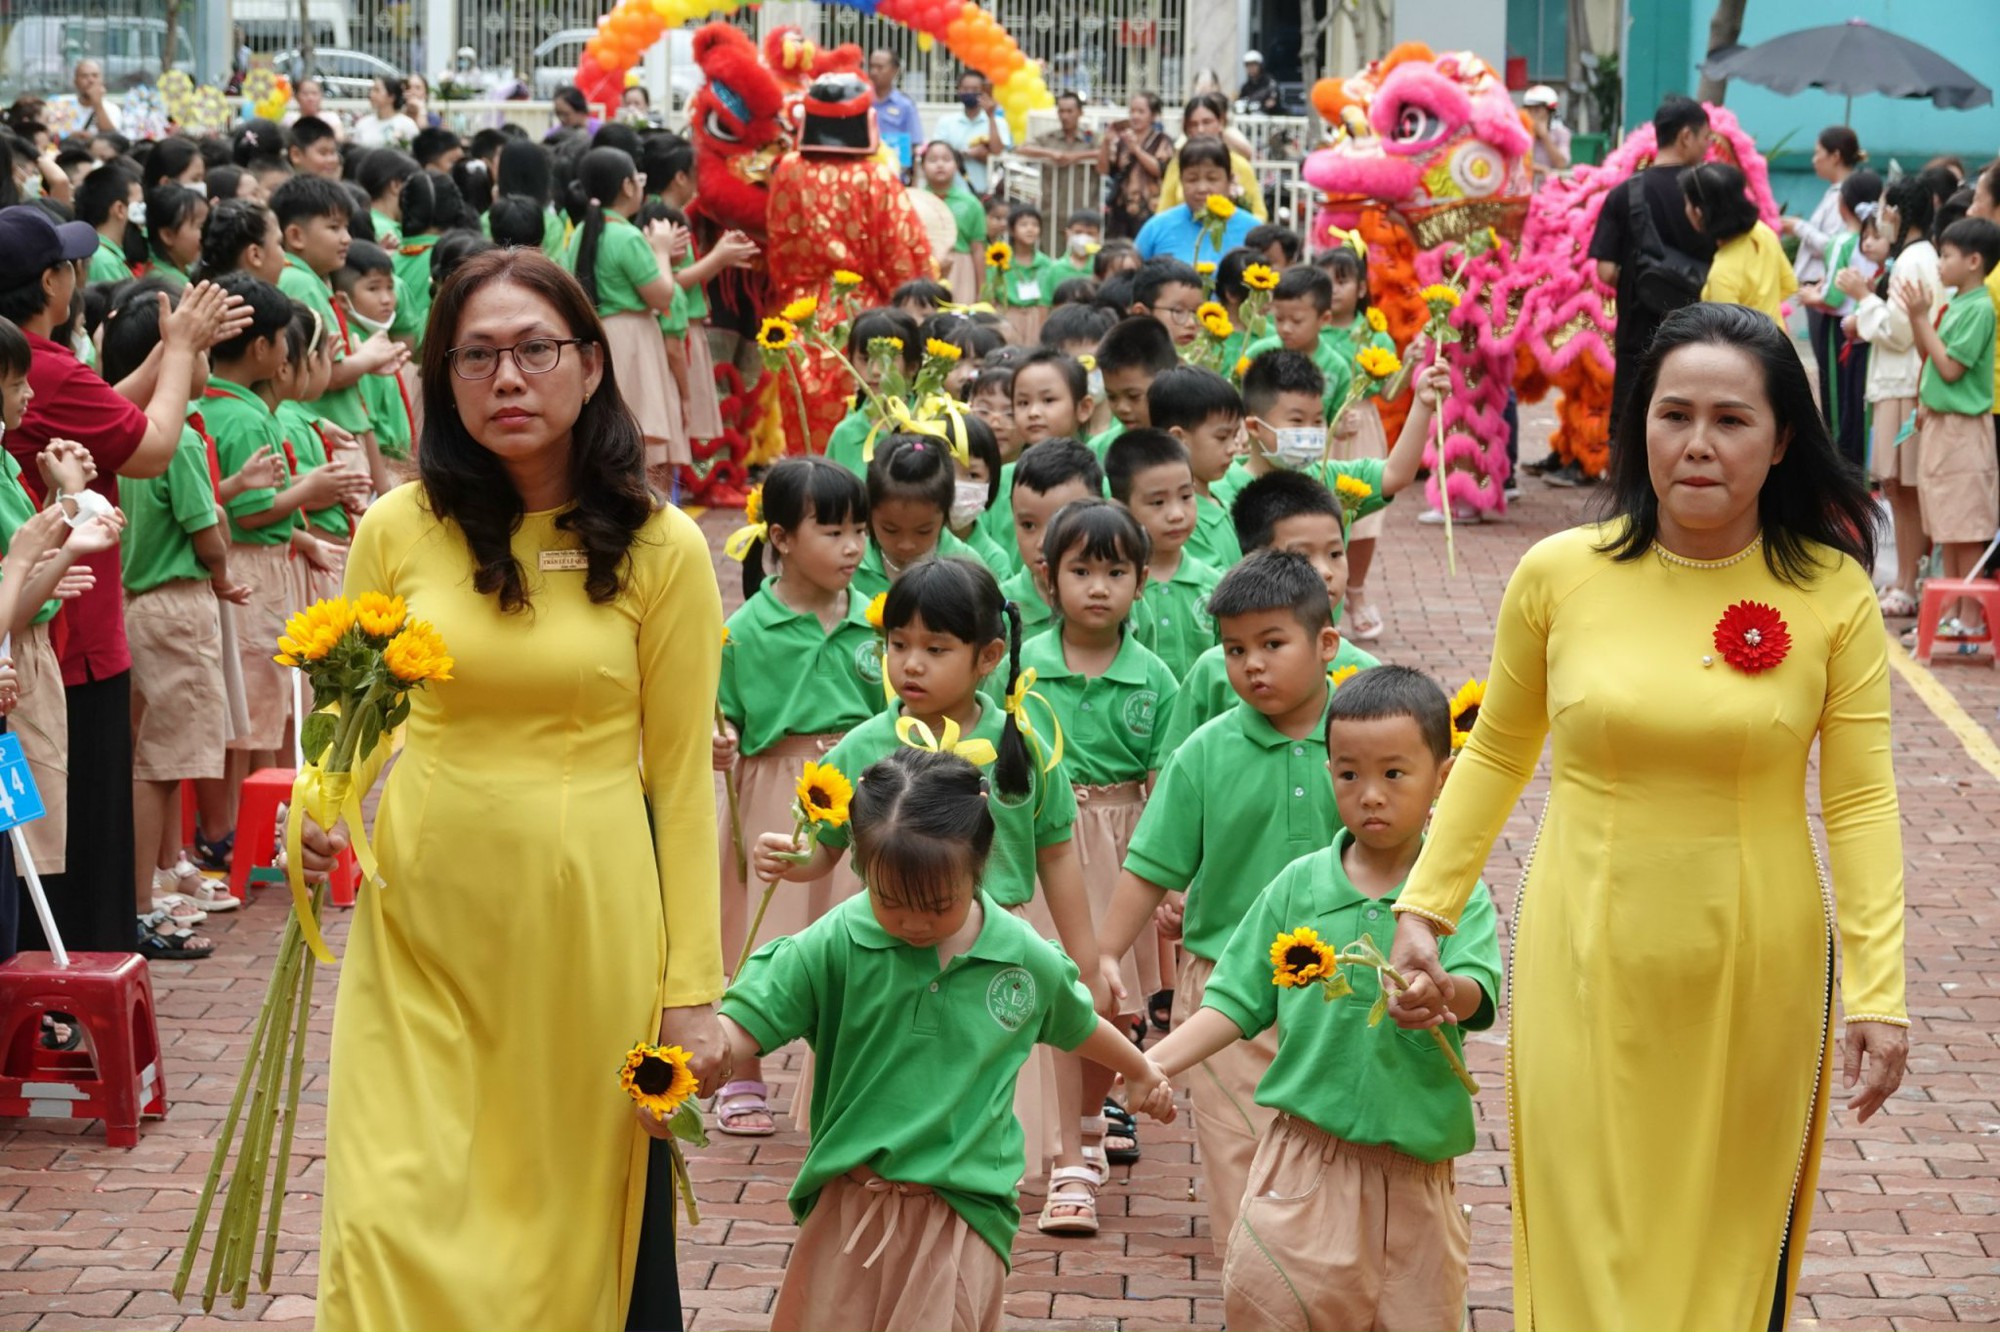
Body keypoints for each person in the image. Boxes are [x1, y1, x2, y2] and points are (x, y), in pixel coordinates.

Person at [1389, 302, 1907, 1330]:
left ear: (1781, 439)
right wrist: (1426, 903)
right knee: (1584, 1222)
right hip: (1583, 944)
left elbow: (1856, 799)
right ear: (1636, 428)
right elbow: (1495, 746)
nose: (1697, 445)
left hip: (1754, 956)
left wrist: (1879, 990)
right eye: (1672, 415)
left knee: (1723, 1234)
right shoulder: (1557, 576)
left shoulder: (1830, 594)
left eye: (1730, 419)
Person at [297, 247, 726, 1328]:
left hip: (584, 935)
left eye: (535, 351)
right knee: (390, 1208)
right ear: (442, 382)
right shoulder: (396, 529)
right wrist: (318, 807)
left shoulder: (663, 548)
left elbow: (679, 783)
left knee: (557, 1230)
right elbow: (356, 709)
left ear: (589, 365)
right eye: (475, 357)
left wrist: (691, 985)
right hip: (422, 922)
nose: (507, 380)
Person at [728, 747, 1173, 1331]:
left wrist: (1139, 1070)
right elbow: (750, 1018)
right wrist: (695, 1059)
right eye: (890, 901)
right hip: (850, 1203)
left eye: (938, 905)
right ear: (861, 867)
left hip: (963, 1214)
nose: (913, 922)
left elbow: (1077, 1021)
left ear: (978, 866)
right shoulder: (835, 941)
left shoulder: (1020, 954)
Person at [750, 557, 1112, 1233]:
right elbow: (825, 847)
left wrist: (1086, 956)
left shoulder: (1018, 746)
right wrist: (790, 859)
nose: (910, 665)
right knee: (891, 1079)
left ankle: (1040, 1177)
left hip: (991, 945)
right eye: (897, 645)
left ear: (989, 657)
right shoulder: (865, 744)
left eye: (935, 649)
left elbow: (1056, 851)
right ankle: (884, 1193)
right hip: (884, 949)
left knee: (1006, 1070)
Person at [1151, 664, 1501, 1330]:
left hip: (1418, 1176)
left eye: (1394, 774)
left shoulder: (1455, 892)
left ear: (1442, 776)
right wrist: (1156, 1063)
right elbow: (1231, 1000)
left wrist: (1440, 991)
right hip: (1304, 1157)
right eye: (1348, 774)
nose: (1370, 795)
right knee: (1270, 1306)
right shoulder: (1297, 887)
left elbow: (1476, 992)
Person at [1092, 549, 1347, 1251]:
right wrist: (1109, 952)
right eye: (1234, 649)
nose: (1252, 665)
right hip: (1226, 981)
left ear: (1326, 643)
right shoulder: (1206, 751)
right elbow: (1150, 864)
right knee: (1239, 1147)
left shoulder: (1357, 741)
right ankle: (1257, 1286)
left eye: (1272, 644)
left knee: (1333, 1147)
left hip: (1343, 980)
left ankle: (1323, 1281)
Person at [0, 205, 232, 958]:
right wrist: (183, 351)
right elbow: (152, 447)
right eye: (70, 265)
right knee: (73, 831)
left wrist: (167, 355)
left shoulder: (30, 369)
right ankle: (72, 971)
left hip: (54, 632)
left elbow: (102, 413)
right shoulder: (42, 366)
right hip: (55, 640)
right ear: (49, 282)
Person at [713, 458, 878, 1135]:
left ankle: (835, 1079)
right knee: (761, 931)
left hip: (860, 788)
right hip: (773, 791)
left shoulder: (875, 615)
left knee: (851, 933)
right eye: (833, 531)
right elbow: (719, 712)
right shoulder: (743, 629)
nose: (852, 548)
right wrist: (718, 737)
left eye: (860, 531)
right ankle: (740, 1071)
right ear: (779, 538)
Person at [1019, 498, 1180, 1172]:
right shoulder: (1022, 665)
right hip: (1042, 847)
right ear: (1047, 579)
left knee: (1109, 990)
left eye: (1116, 572)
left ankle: (1099, 1105)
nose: (1098, 587)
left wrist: (1169, 876)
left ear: (1141, 582)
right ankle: (1034, 1115)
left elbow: (1165, 786)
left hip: (1122, 846)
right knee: (1036, 979)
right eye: (1081, 570)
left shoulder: (1156, 677)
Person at [1586, 95, 1714, 471]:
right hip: (1703, 329)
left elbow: (1606, 271)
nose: (1708, 146)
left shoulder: (1625, 193)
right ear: (1686, 136)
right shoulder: (1710, 192)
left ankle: (1630, 499)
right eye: (1706, 137)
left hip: (1638, 331)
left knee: (1632, 411)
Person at [1842, 176, 1938, 618]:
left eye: (1884, 211)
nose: (1880, 220)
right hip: (1900, 381)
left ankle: (1908, 581)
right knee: (1899, 488)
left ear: (1898, 213)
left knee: (1905, 489)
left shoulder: (1912, 261)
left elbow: (1900, 332)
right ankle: (1905, 578)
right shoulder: (1916, 257)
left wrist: (1863, 299)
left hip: (1903, 380)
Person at [1901, 217, 2000, 642]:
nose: (1939, 263)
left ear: (1974, 260)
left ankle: (1971, 619)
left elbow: (1949, 367)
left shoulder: (1979, 308)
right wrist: (1917, 318)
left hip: (1963, 429)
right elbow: (1929, 352)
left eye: (1946, 255)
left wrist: (1922, 317)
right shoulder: (1959, 302)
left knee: (1966, 526)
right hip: (1943, 425)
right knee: (1948, 525)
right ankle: (1957, 612)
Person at [566, 146, 688, 475]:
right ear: (627, 186)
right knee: (641, 432)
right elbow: (661, 296)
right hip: (633, 338)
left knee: (610, 432)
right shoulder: (627, 236)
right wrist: (661, 252)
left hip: (599, 333)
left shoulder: (580, 232)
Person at [1107, 429, 1219, 679]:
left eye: (1186, 496)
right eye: (1158, 502)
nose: (1177, 514)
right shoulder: (1116, 586)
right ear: (1119, 508)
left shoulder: (1216, 585)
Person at [1785, 126, 1864, 440]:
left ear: (1835, 156)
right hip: (1821, 289)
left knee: (1833, 374)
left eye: (1819, 152)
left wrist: (1800, 227)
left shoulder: (1844, 195)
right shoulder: (1835, 193)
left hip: (1827, 293)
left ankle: (1836, 442)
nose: (1814, 159)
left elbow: (1833, 245)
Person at [1148, 364, 1245, 570]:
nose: (1233, 448)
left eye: (1235, 436)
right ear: (1178, 439)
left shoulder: (1221, 496)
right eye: (1222, 437)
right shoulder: (1182, 519)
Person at [1682, 161, 1797, 326]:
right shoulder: (1762, 231)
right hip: (1776, 340)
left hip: (1749, 350)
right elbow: (1789, 285)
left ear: (1699, 212)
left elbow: (1729, 334)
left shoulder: (1722, 273)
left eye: (1687, 202)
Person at [1136, 139, 1257, 267]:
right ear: (1181, 182)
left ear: (1229, 180)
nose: (1202, 188)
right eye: (1192, 179)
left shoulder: (1251, 230)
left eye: (1212, 179)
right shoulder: (1156, 228)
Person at [1157, 94, 1267, 222]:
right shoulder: (1177, 164)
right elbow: (1163, 211)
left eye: (1207, 122)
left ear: (1220, 123)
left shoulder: (1240, 165)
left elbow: (1259, 215)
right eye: (1193, 124)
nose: (1201, 130)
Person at [1017, 92, 1098, 242]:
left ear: (1080, 113)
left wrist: (1076, 157)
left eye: (1069, 111)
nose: (1065, 116)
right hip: (1052, 211)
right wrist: (1051, 153)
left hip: (1083, 212)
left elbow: (1106, 154)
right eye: (1061, 111)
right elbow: (1022, 148)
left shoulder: (1091, 138)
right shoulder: (1049, 138)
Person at [1101, 92, 1174, 240]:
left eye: (1141, 112)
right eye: (1132, 111)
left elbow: (1160, 170)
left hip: (1149, 210)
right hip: (1121, 211)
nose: (1135, 116)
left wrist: (1137, 150)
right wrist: (1106, 142)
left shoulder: (1162, 140)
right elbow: (1105, 170)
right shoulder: (1122, 141)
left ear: (1153, 115)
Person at [934, 71, 1011, 198]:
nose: (970, 93)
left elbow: (997, 152)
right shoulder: (946, 122)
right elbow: (938, 153)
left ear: (983, 92)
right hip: (952, 192)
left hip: (985, 193)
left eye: (975, 89)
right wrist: (968, 153)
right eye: (965, 89)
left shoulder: (998, 123)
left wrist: (991, 117)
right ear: (959, 91)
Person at [866, 48, 922, 169]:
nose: (874, 72)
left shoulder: (905, 105)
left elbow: (915, 143)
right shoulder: (861, 101)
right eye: (871, 66)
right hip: (865, 169)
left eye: (880, 67)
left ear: (894, 71)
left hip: (894, 170)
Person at [351, 76, 419, 151]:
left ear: (391, 96)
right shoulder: (363, 123)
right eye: (372, 90)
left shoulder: (406, 124)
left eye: (377, 90)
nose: (371, 94)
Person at [1523, 85, 1571, 187]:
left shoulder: (1561, 133)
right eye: (1529, 110)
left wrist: (1544, 136)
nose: (1532, 114)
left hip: (1550, 191)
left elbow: (1561, 164)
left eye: (1537, 110)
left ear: (1550, 112)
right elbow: (1519, 163)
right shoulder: (1520, 132)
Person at [71, 59, 120, 135]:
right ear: (76, 82)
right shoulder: (65, 107)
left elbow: (112, 137)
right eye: (84, 76)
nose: (91, 80)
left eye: (95, 76)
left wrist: (97, 104)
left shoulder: (112, 109)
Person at [1236, 50, 1283, 116]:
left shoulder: (1270, 83)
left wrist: (1263, 105)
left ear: (1260, 65)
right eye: (1248, 66)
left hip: (1267, 120)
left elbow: (1272, 102)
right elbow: (1241, 102)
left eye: (1253, 65)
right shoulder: (1246, 87)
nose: (1251, 68)